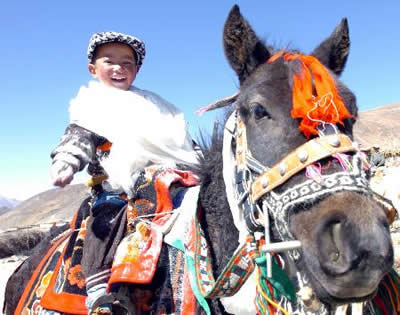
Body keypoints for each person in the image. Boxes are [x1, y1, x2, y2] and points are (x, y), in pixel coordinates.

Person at [50, 31, 199, 314]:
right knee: (106, 215)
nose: (119, 68)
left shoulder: (158, 107)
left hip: (165, 183)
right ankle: (100, 292)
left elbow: (183, 144)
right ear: (93, 69)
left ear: (137, 70)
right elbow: (78, 138)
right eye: (110, 61)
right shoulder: (92, 105)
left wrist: (202, 163)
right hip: (115, 188)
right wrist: (66, 162)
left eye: (127, 63)